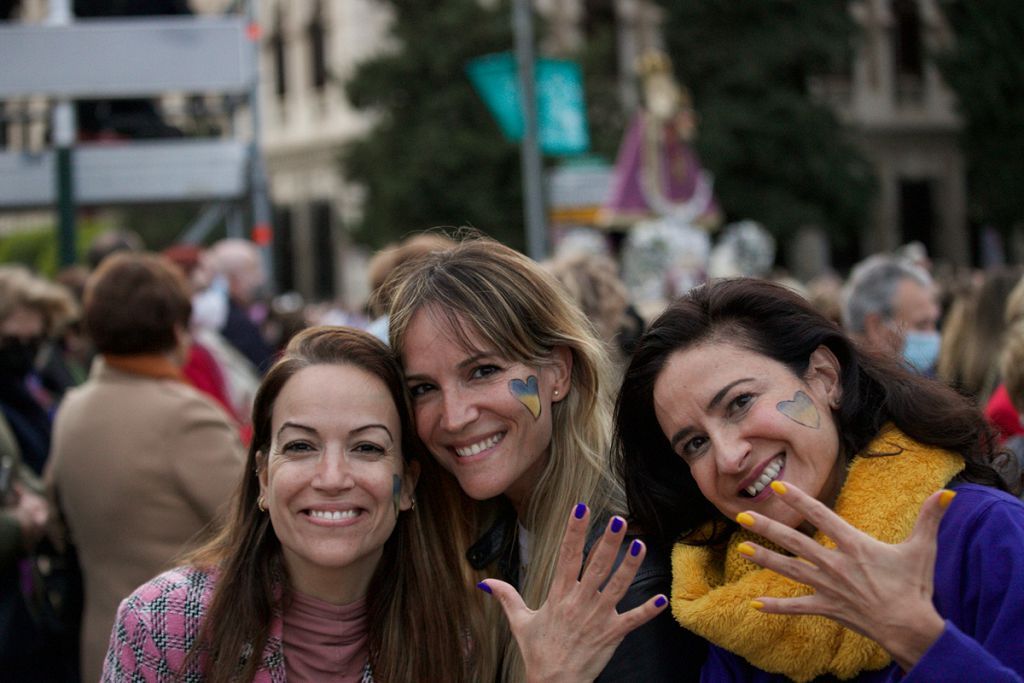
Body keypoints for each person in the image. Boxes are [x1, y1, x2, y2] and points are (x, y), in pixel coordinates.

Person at [614, 277, 1024, 681]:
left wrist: (919, 639)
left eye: (740, 403)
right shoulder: (731, 603)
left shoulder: (986, 533)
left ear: (825, 377)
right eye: (695, 444)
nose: (728, 456)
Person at [381, 235, 704, 681]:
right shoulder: (473, 526)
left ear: (558, 372)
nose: (453, 417)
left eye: (483, 371)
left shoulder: (621, 573)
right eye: (424, 389)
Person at [102, 326, 484, 681]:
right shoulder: (160, 625)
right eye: (301, 446)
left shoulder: (463, 641)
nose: (332, 478)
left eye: (366, 447)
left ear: (407, 486)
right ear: (264, 479)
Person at [46, 253, 246, 682]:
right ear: (175, 330)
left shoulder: (72, 409)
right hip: (184, 646)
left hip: (103, 643)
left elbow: (56, 521)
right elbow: (256, 521)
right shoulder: (187, 417)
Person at [841, 254, 940, 374]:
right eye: (921, 325)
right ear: (875, 327)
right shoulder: (839, 388)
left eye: (934, 323)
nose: (933, 336)